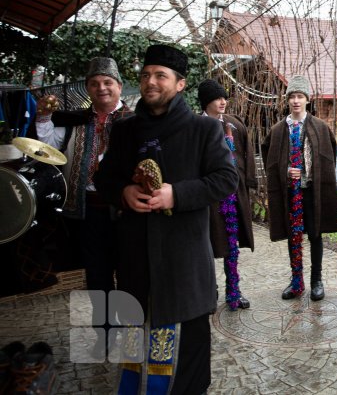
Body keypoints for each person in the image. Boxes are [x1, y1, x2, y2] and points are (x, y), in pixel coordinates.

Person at [94, 44, 238, 394]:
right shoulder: (126, 130)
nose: (150, 82)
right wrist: (123, 192)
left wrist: (178, 194)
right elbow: (104, 177)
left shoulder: (204, 130)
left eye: (160, 76)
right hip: (135, 259)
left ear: (180, 84)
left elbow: (225, 179)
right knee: (134, 342)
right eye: (145, 75)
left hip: (184, 261)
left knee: (188, 359)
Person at [35, 57, 133, 357]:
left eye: (108, 83)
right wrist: (42, 118)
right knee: (97, 275)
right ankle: (104, 334)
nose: (101, 88)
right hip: (88, 210)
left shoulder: (135, 121)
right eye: (95, 83)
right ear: (88, 89)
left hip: (126, 212)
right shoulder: (76, 120)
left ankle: (132, 331)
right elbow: (46, 147)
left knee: (129, 273)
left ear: (119, 87)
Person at [261, 75, 337, 301]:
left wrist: (310, 172)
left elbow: (329, 155)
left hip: (311, 191)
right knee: (293, 236)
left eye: (300, 96)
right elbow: (269, 157)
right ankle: (296, 281)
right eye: (292, 96)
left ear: (307, 99)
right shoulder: (278, 130)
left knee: (315, 234)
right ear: (288, 100)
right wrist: (284, 171)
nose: (296, 101)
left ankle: (316, 280)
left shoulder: (320, 127)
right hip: (289, 192)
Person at [198, 79, 256, 310]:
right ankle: (208, 292)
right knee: (207, 244)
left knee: (232, 245)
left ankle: (234, 290)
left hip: (233, 195)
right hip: (207, 197)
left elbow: (246, 155)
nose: (223, 102)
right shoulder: (196, 126)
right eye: (217, 98)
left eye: (224, 97)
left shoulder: (234, 125)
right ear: (206, 102)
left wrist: (247, 184)